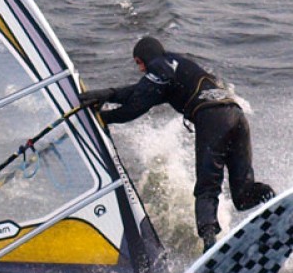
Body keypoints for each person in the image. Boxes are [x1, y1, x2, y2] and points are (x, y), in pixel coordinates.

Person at [80, 36, 273, 250]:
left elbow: (135, 107)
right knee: (243, 195)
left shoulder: (158, 66)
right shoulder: (177, 66)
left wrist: (102, 119)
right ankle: (274, 201)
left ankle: (210, 244)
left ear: (143, 58)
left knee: (207, 187)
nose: (140, 69)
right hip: (237, 116)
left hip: (212, 118)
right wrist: (109, 94)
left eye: (138, 63)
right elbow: (140, 91)